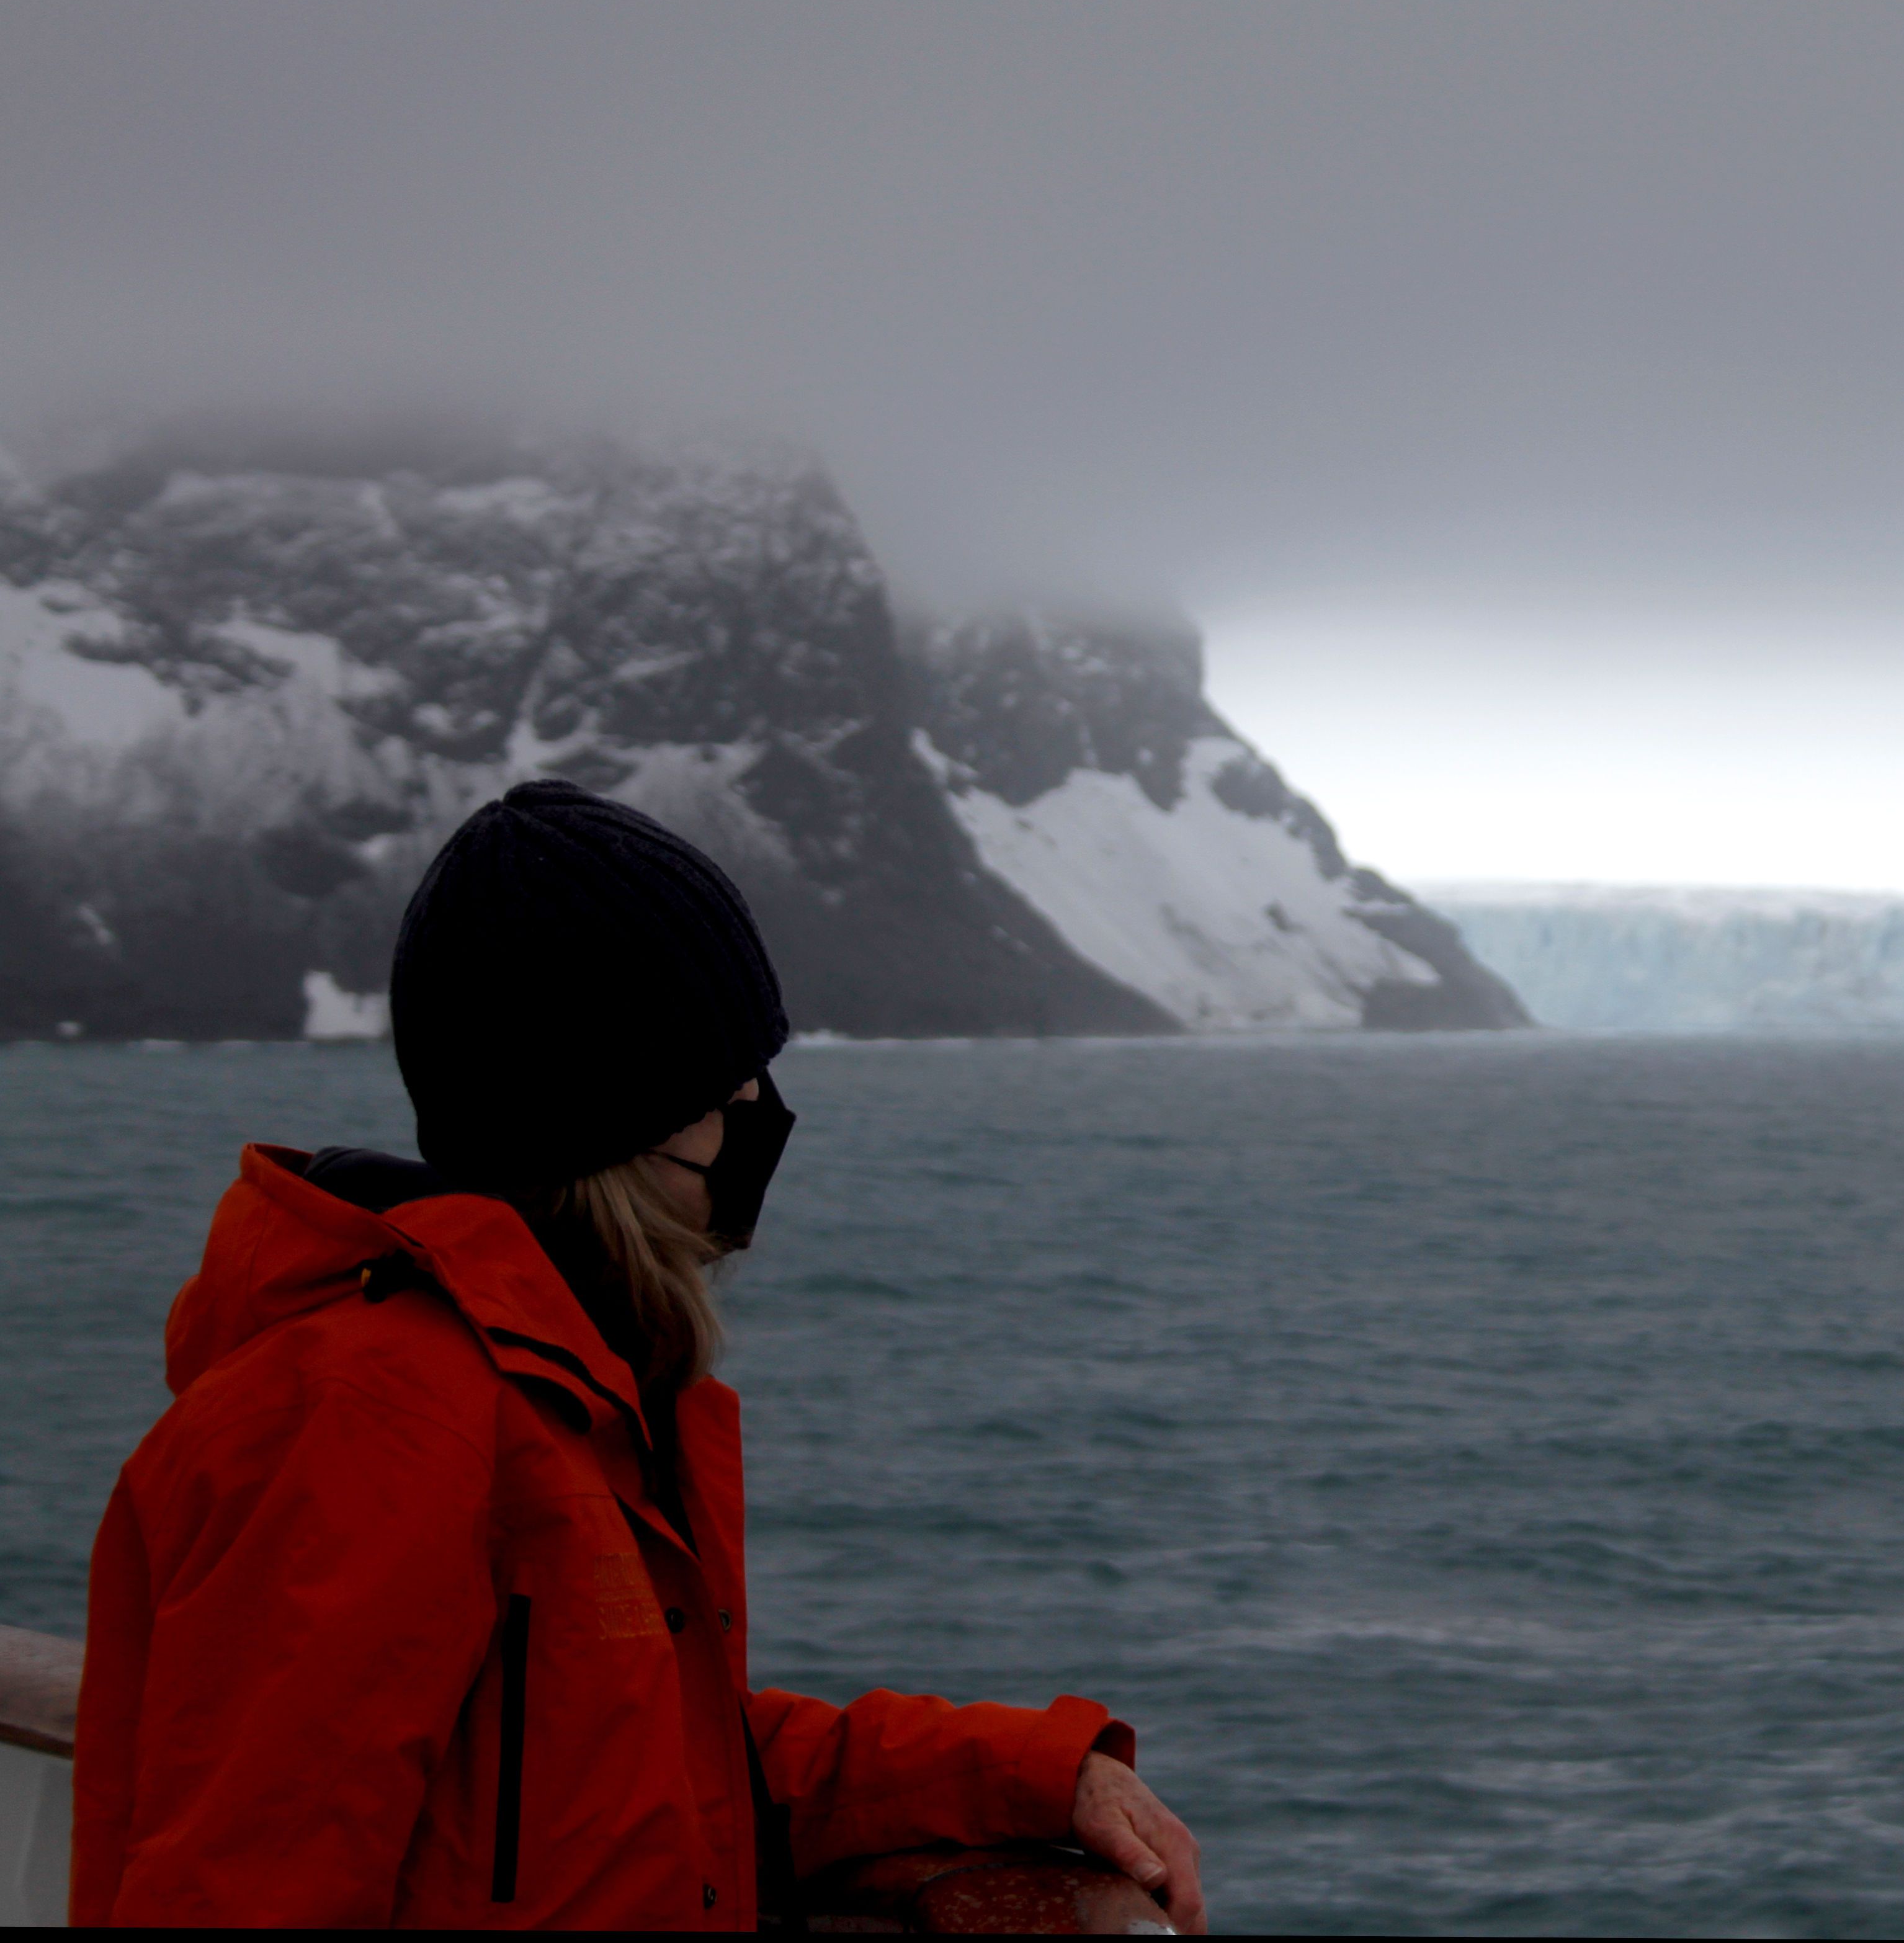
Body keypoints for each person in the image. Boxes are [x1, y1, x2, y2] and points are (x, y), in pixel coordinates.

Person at [66, 780, 1205, 1930]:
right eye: (727, 1086)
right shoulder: (376, 1422)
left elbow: (657, 1779)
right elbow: (242, 1888)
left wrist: (1030, 1771)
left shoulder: (569, 1391)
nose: (761, 1110)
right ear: (607, 1121)